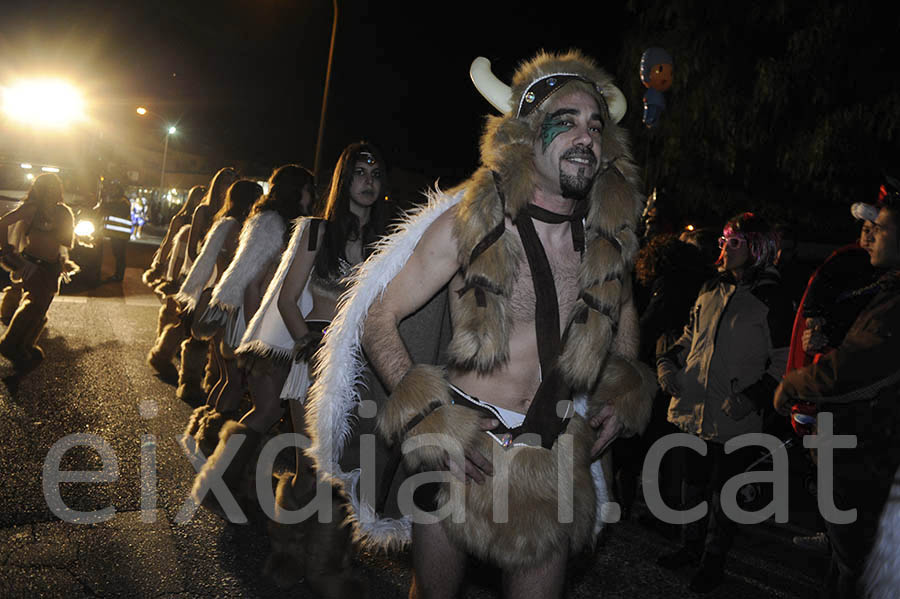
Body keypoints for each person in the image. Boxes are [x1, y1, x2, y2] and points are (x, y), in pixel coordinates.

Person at [304, 51, 655, 599]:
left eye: (596, 126)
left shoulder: (607, 242)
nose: (587, 137)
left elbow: (625, 314)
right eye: (567, 123)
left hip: (552, 459)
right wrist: (430, 416)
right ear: (525, 135)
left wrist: (621, 392)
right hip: (461, 455)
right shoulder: (470, 222)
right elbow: (380, 318)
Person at [195, 144, 393, 596]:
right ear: (343, 181)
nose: (368, 180)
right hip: (315, 361)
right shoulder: (314, 232)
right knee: (312, 462)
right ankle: (286, 546)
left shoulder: (388, 244)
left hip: (362, 367)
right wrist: (310, 343)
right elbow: (285, 300)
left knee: (346, 468)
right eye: (359, 171)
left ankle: (328, 563)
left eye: (376, 173)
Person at [656, 211, 792, 593]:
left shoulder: (772, 298)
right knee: (693, 481)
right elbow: (689, 337)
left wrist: (753, 397)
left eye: (734, 242)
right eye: (723, 242)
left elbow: (784, 359)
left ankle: (713, 561)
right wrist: (668, 363)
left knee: (724, 492)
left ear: (757, 248)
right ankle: (690, 546)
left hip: (735, 414)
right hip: (696, 405)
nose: (724, 249)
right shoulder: (710, 288)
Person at [775, 193, 900, 599]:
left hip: (869, 451)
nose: (869, 236)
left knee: (859, 568)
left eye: (880, 228)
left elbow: (853, 370)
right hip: (864, 446)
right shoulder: (884, 289)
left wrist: (792, 384)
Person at [182, 164, 316, 458]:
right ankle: (223, 462)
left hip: (250, 319)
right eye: (308, 189)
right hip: (251, 320)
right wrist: (255, 337)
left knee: (241, 390)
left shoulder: (268, 220)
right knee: (261, 405)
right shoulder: (271, 223)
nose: (311, 196)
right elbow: (253, 284)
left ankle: (210, 439)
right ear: (296, 190)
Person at [785, 201, 879, 553]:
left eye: (877, 230)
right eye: (866, 229)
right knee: (825, 464)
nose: (868, 237)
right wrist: (815, 334)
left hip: (871, 403)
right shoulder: (846, 264)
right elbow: (818, 312)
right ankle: (834, 534)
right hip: (836, 393)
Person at [175, 179, 263, 440]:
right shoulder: (237, 228)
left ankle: (203, 423)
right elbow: (235, 268)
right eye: (258, 198)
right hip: (228, 304)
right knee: (233, 378)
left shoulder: (222, 223)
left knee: (225, 376)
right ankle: (212, 433)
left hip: (215, 302)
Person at [173, 167, 238, 402]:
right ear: (217, 184)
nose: (227, 187)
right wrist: (208, 259)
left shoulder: (235, 215)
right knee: (197, 334)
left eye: (232, 183)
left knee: (219, 337)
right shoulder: (204, 210)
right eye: (224, 182)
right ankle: (189, 380)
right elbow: (191, 250)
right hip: (203, 274)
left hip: (222, 278)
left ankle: (213, 384)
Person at [0, 173, 76, 369]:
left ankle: (25, 344)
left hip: (53, 266)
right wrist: (6, 249)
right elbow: (3, 222)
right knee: (33, 303)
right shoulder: (32, 208)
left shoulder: (62, 211)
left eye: (54, 188)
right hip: (32, 265)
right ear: (40, 190)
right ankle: (9, 344)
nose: (51, 192)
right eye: (47, 188)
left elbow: (66, 241)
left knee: (41, 308)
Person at [143, 185, 207, 289]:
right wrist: (159, 265)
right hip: (176, 262)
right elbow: (168, 242)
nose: (202, 201)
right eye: (200, 198)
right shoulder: (180, 220)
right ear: (192, 200)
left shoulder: (205, 221)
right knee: (172, 299)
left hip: (192, 264)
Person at [95, 180, 132, 282]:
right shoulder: (116, 201)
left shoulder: (123, 202)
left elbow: (116, 210)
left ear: (119, 191)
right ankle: (118, 275)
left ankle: (119, 276)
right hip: (116, 234)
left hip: (121, 235)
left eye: (114, 190)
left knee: (120, 256)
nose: (112, 191)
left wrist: (105, 205)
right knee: (117, 255)